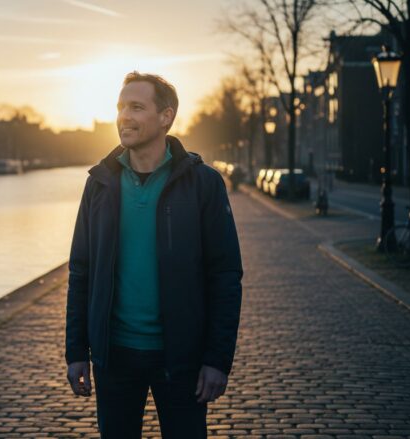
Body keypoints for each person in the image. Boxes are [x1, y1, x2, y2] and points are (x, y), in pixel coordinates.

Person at [65, 71, 243, 438]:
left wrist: (216, 360)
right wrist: (77, 351)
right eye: (120, 107)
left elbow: (225, 276)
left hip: (181, 360)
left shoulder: (203, 184)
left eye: (136, 107)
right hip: (113, 358)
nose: (124, 116)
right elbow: (81, 271)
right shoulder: (99, 184)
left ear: (166, 117)